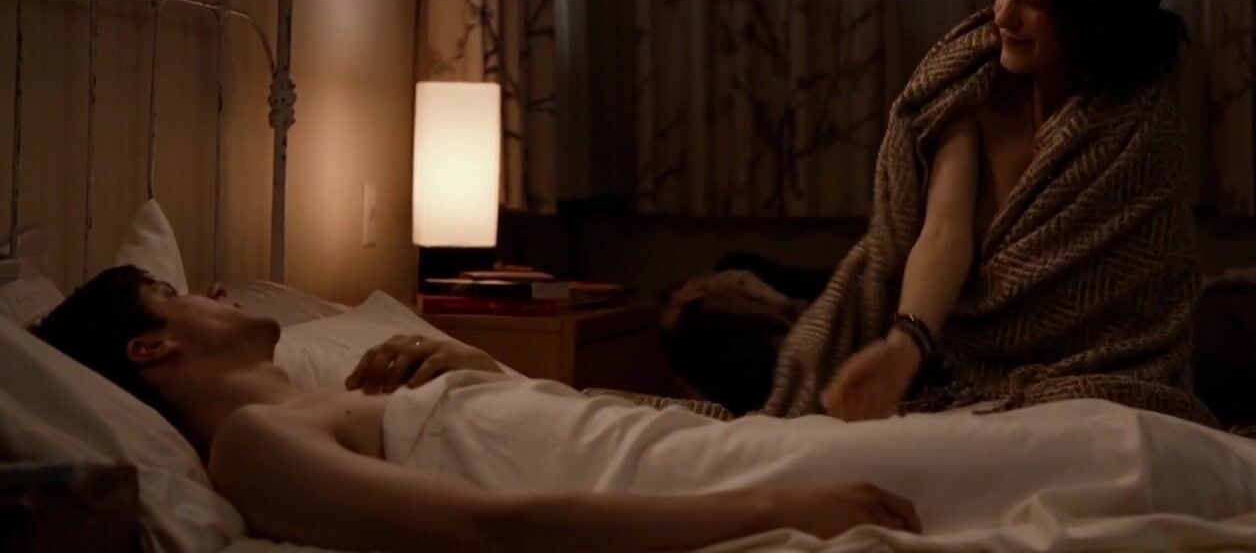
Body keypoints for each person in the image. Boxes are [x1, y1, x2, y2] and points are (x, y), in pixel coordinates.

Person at [30, 266, 919, 552]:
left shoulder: (345, 390)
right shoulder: (255, 443)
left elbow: (550, 426)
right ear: (151, 348)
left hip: (705, 446)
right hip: (718, 479)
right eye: (180, 293)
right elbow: (499, 526)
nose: (217, 290)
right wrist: (776, 507)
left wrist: (478, 366)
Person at [752, 0, 1214, 425]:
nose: (1003, 16)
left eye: (1031, 0)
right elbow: (943, 235)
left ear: (1091, 12)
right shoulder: (976, 93)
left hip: (1095, 380)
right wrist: (904, 344)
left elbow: (1140, 301)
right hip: (955, 367)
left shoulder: (1139, 132)